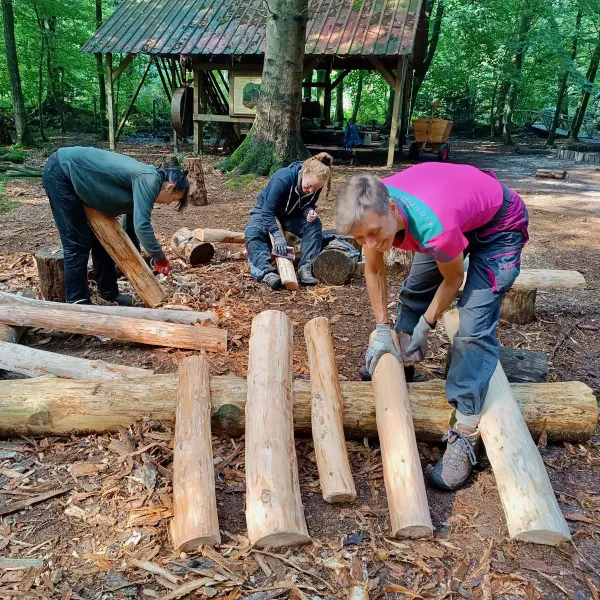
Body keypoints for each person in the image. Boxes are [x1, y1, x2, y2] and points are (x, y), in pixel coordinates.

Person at [336, 162, 529, 490]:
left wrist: (427, 325)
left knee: (473, 327)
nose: (368, 242)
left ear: (392, 209)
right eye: (360, 238)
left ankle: (466, 430)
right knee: (414, 293)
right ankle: (402, 362)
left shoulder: (434, 228)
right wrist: (383, 329)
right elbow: (374, 271)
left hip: (499, 226)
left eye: (373, 233)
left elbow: (453, 280)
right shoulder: (372, 212)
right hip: (453, 212)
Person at [42, 147, 189, 305]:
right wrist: (160, 259)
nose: (168, 203)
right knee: (77, 243)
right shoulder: (149, 179)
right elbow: (142, 226)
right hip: (62, 172)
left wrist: (137, 259)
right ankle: (77, 301)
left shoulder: (147, 181)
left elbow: (132, 224)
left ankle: (108, 293)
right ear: (170, 187)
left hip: (80, 180)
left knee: (104, 241)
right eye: (173, 199)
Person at [244, 153, 333, 289]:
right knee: (253, 232)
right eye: (309, 186)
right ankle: (266, 272)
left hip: (291, 214)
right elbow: (268, 211)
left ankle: (305, 266)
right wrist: (277, 236)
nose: (310, 190)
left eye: (314, 189)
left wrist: (308, 211)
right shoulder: (283, 178)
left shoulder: (316, 185)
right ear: (305, 172)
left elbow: (307, 204)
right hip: (265, 210)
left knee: (314, 225)